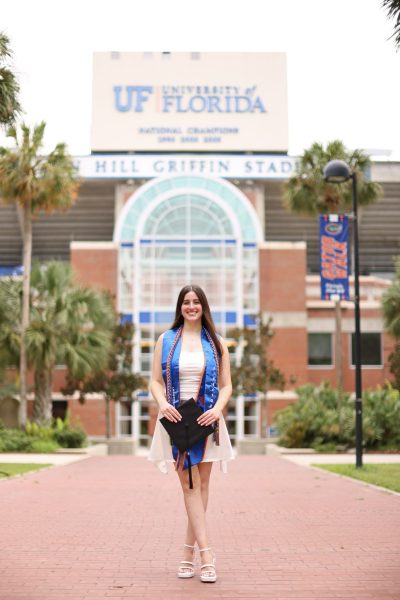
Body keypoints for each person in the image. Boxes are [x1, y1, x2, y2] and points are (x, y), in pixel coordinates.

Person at [148, 284, 234, 583]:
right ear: (180, 307)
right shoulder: (166, 340)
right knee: (189, 485)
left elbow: (226, 385)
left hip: (207, 420)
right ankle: (206, 555)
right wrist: (162, 404)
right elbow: (156, 382)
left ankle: (187, 553)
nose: (191, 306)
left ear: (203, 306)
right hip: (177, 421)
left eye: (196, 302)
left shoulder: (217, 342)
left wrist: (218, 409)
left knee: (202, 486)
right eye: (186, 302)